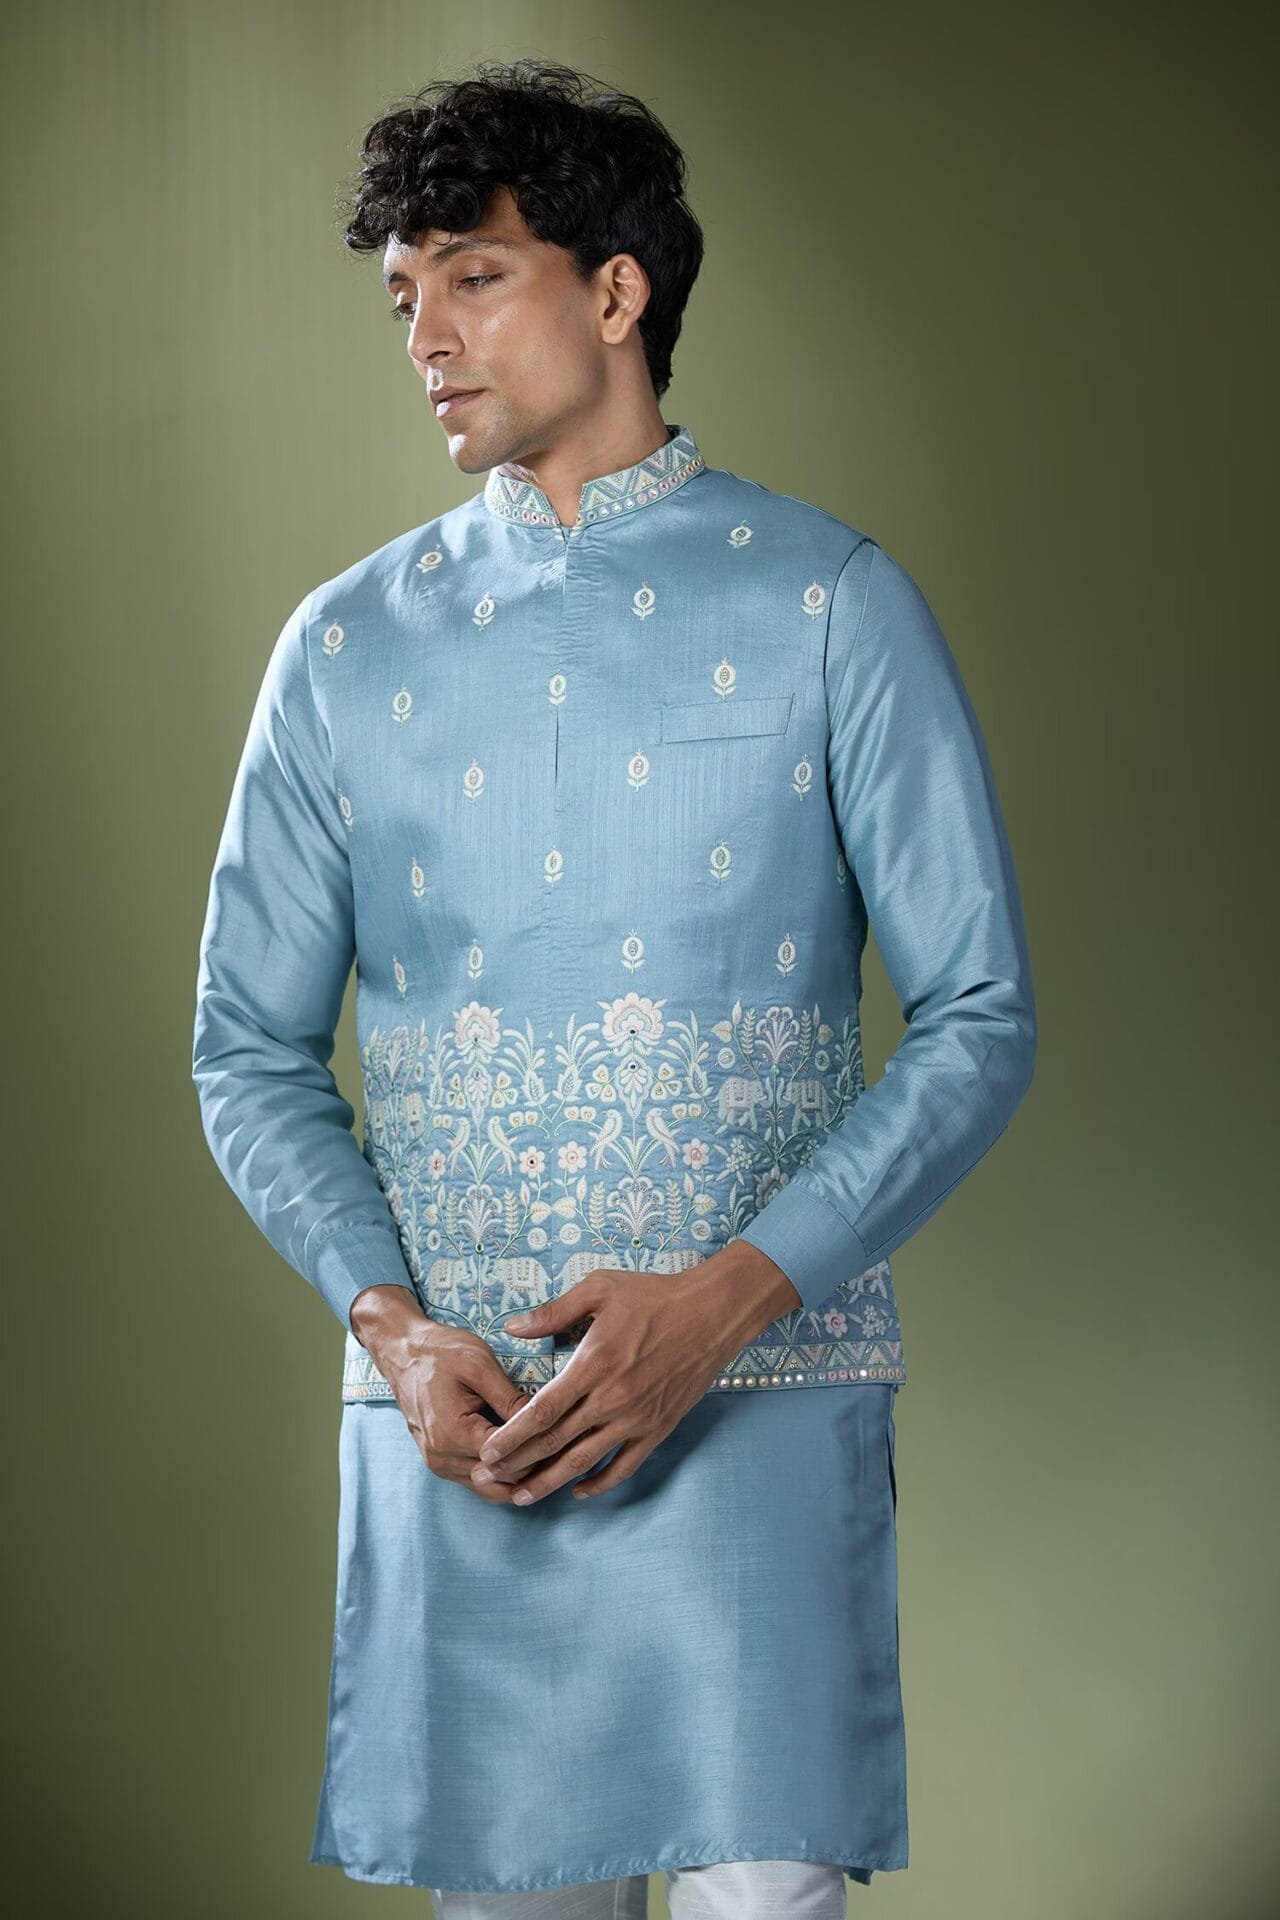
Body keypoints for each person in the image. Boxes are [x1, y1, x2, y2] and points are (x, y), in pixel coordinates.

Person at [191, 56, 1037, 1919]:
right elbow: (246, 1046)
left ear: (618, 291)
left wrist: (727, 1303)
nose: (427, 335)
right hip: (471, 1437)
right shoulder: (341, 649)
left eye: (475, 275)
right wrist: (395, 1334)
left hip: (761, 1406)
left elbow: (980, 1013)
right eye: (403, 296)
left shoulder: (831, 603)